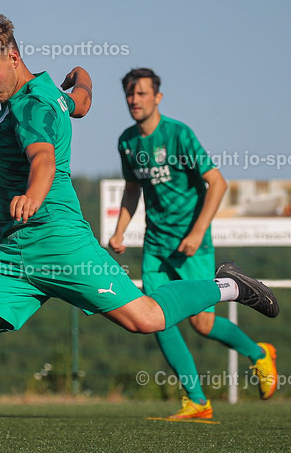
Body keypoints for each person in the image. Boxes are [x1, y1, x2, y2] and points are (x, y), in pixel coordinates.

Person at [0, 14, 279, 453]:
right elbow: (83, 103)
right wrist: (83, 79)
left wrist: (35, 193)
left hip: (59, 242)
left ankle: (229, 285)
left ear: (13, 57)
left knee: (146, 319)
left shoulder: (31, 106)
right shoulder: (49, 94)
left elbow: (43, 159)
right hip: (15, 253)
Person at [110, 68, 278, 420]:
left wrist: (198, 231)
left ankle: (259, 354)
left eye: (141, 93)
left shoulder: (178, 135)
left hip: (192, 243)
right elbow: (132, 189)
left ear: (157, 97)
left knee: (202, 324)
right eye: (129, 94)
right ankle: (197, 400)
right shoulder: (127, 142)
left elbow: (217, 183)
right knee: (156, 317)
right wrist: (119, 231)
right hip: (156, 246)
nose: (134, 100)